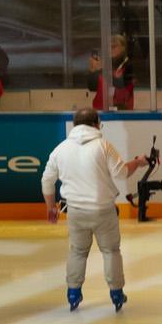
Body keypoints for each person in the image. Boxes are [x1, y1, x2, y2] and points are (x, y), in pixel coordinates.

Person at [41, 105, 146, 312]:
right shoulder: (103, 146)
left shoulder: (60, 149)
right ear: (96, 124)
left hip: (75, 211)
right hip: (103, 210)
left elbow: (46, 180)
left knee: (78, 252)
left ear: (75, 125)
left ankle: (73, 292)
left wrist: (51, 207)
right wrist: (137, 162)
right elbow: (122, 173)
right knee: (110, 251)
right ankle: (116, 293)